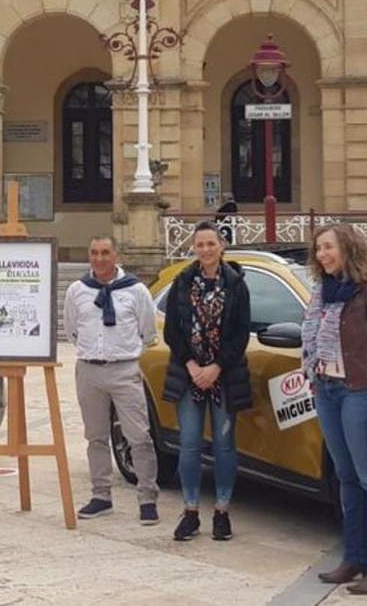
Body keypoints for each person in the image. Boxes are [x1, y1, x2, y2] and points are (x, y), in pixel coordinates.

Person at [302, 224, 367, 595]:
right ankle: (355, 558)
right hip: (327, 388)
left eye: (328, 247)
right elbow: (313, 340)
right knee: (346, 477)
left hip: (363, 391)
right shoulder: (322, 293)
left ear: (347, 248)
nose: (322, 255)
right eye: (318, 249)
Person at [162, 221, 251, 542]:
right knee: (189, 444)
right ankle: (190, 512)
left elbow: (241, 333)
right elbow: (172, 329)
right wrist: (191, 364)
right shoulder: (182, 282)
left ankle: (222, 512)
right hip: (189, 376)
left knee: (225, 446)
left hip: (223, 376)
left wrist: (215, 367)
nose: (205, 250)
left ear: (221, 246)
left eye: (211, 243)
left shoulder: (236, 284)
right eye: (200, 244)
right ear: (194, 248)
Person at [63, 235, 160, 525]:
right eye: (94, 253)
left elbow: (148, 331)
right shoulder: (77, 290)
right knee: (95, 436)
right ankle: (101, 495)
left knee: (139, 437)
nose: (99, 258)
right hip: (89, 370)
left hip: (124, 370)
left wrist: (125, 354)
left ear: (116, 255)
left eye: (105, 252)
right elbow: (72, 330)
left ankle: (147, 498)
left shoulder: (136, 290)